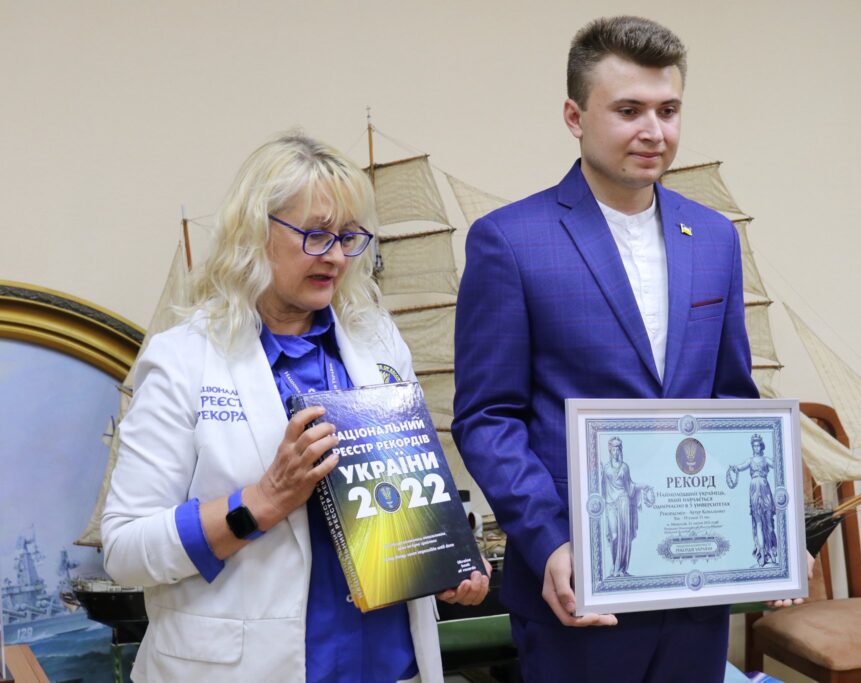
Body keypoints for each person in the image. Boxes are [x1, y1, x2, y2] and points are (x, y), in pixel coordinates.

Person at [453, 16, 785, 682]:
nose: (653, 131)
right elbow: (487, 416)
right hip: (576, 585)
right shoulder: (509, 241)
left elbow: (731, 399)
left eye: (669, 110)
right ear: (575, 117)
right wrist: (549, 540)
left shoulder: (715, 238)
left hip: (696, 589)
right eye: (629, 110)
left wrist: (768, 535)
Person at [102, 133, 488, 682]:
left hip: (389, 666)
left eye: (348, 237)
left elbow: (404, 504)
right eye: (316, 235)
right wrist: (262, 501)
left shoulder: (379, 343)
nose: (335, 256)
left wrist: (445, 558)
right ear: (255, 232)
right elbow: (124, 550)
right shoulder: (183, 359)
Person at [601, 437, 652, 577]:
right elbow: (602, 487)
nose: (616, 452)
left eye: (618, 449)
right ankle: (614, 565)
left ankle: (621, 568)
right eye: (613, 449)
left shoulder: (625, 467)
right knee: (614, 536)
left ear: (620, 450)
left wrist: (643, 486)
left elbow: (630, 488)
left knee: (623, 537)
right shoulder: (605, 468)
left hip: (624, 501)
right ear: (610, 451)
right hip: (610, 504)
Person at [728, 434, 779, 567]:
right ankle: (761, 553)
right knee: (758, 524)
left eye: (758, 445)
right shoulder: (750, 461)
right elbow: (740, 466)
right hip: (754, 491)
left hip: (765, 489)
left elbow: (779, 465)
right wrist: (733, 467)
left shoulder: (766, 460)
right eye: (754, 445)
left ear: (761, 446)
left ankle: (771, 551)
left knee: (769, 523)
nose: (756, 447)